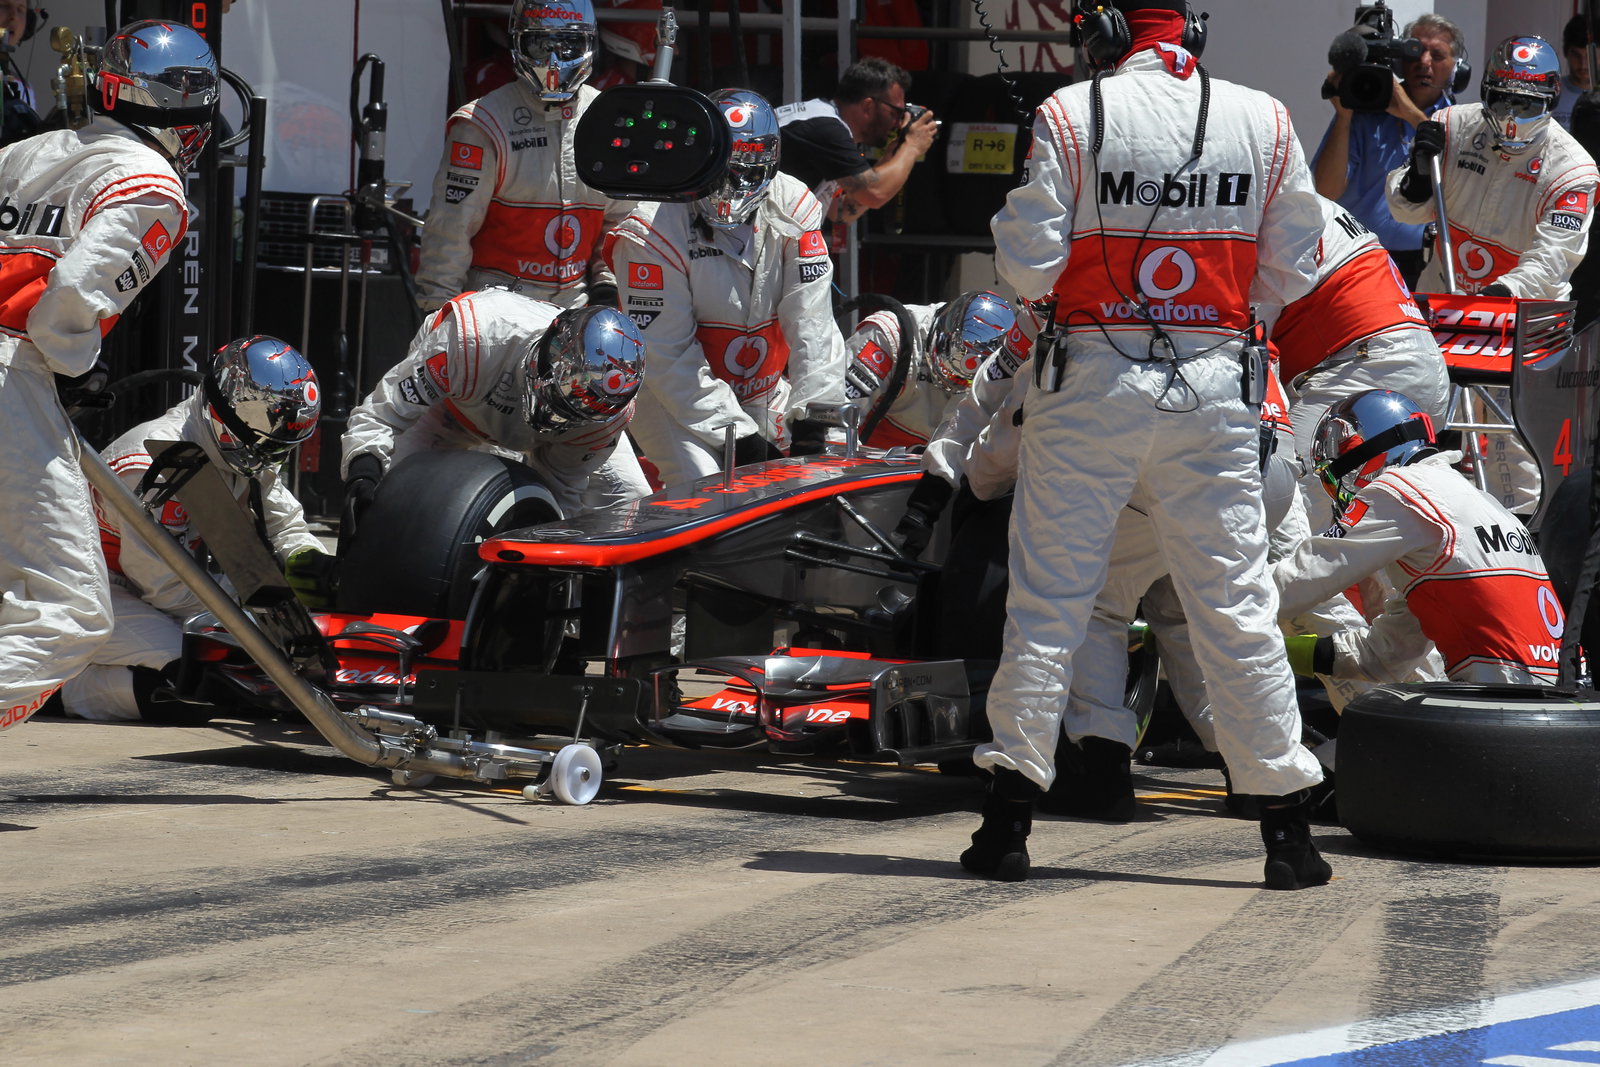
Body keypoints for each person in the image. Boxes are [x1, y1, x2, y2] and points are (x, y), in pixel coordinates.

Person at [970, 0, 1330, 890]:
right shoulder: (1267, 117)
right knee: (1235, 605)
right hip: (1213, 386)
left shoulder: (1069, 110)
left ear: (1103, 37)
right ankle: (1288, 833)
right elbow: (1297, 266)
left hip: (1087, 381)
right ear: (1192, 34)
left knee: (1051, 601)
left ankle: (1007, 823)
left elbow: (1025, 268)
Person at [0, 20, 216, 732]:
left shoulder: (24, 151)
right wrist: (76, 367)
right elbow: (68, 302)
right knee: (72, 609)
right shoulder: (153, 184)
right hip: (12, 373)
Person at [66, 337, 330, 722]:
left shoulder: (250, 442)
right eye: (267, 447)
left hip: (157, 589)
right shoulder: (151, 459)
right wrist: (262, 629)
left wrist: (309, 565)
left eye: (280, 449)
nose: (270, 459)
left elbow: (285, 524)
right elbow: (164, 586)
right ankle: (54, 691)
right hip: (89, 588)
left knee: (271, 652)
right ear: (229, 412)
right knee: (199, 675)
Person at [606, 88, 847, 486]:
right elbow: (669, 356)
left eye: (749, 168)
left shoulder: (798, 206)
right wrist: (743, 439)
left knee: (827, 470)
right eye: (722, 166)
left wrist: (814, 418)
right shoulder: (648, 232)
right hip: (670, 397)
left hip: (764, 391)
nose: (734, 182)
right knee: (708, 486)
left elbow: (814, 325)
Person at [1275, 390, 1564, 686]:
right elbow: (1387, 655)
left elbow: (1308, 575)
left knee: (1367, 722)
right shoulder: (1482, 503)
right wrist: (1283, 652)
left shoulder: (1401, 490)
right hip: (1557, 697)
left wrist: (1229, 605)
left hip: (1501, 702)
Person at [341, 288, 649, 529]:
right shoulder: (470, 340)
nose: (556, 417)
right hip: (452, 409)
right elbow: (383, 412)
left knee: (630, 501)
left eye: (577, 410)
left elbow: (563, 489)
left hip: (560, 438)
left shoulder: (609, 415)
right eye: (563, 398)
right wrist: (363, 471)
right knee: (384, 499)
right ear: (546, 355)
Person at [414, 0, 634, 313]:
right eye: (542, 45)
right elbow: (450, 230)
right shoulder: (482, 124)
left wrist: (607, 285)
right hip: (493, 309)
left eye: (568, 45)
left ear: (588, 45)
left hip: (575, 310)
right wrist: (436, 310)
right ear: (518, 44)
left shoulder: (608, 118)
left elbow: (621, 221)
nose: (555, 60)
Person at [1386, 35, 1600, 301]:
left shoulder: (1573, 171)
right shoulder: (1451, 125)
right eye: (1501, 100)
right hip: (1442, 294)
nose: (1510, 117)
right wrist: (1418, 179)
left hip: (1523, 306)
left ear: (1551, 102)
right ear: (1485, 92)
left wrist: (1495, 297)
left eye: (1525, 104)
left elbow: (1553, 259)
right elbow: (1403, 213)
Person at [1313, 12, 1466, 287]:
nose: (1424, 62)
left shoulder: (1461, 120)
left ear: (1457, 69)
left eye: (1438, 55)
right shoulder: (1362, 109)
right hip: (1355, 256)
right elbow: (1325, 192)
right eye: (1416, 53)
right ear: (1399, 61)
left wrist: (1410, 114)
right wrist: (1344, 116)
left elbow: (1458, 178)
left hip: (1424, 267)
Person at [774, 57, 938, 226]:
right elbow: (874, 193)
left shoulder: (825, 121)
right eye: (896, 113)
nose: (898, 123)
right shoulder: (826, 129)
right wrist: (911, 147)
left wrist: (892, 156)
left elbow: (840, 212)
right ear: (868, 106)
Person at [844, 291, 1016, 450]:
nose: (956, 381)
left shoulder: (1007, 365)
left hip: (925, 475)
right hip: (867, 471)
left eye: (965, 380)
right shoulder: (888, 336)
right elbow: (838, 421)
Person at [1556, 14, 1594, 131]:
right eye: (1576, 55)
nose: (1583, 64)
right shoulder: (1552, 95)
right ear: (1565, 52)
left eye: (1589, 56)